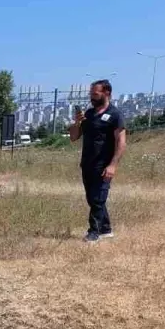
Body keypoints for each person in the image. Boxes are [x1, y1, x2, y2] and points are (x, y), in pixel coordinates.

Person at [69, 79, 127, 242]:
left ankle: (93, 233)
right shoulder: (88, 114)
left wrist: (112, 165)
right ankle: (106, 229)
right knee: (92, 199)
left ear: (107, 93)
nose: (91, 98)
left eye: (95, 94)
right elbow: (74, 137)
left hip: (104, 166)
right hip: (87, 164)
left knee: (97, 199)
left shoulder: (115, 115)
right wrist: (77, 122)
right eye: (90, 94)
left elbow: (121, 143)